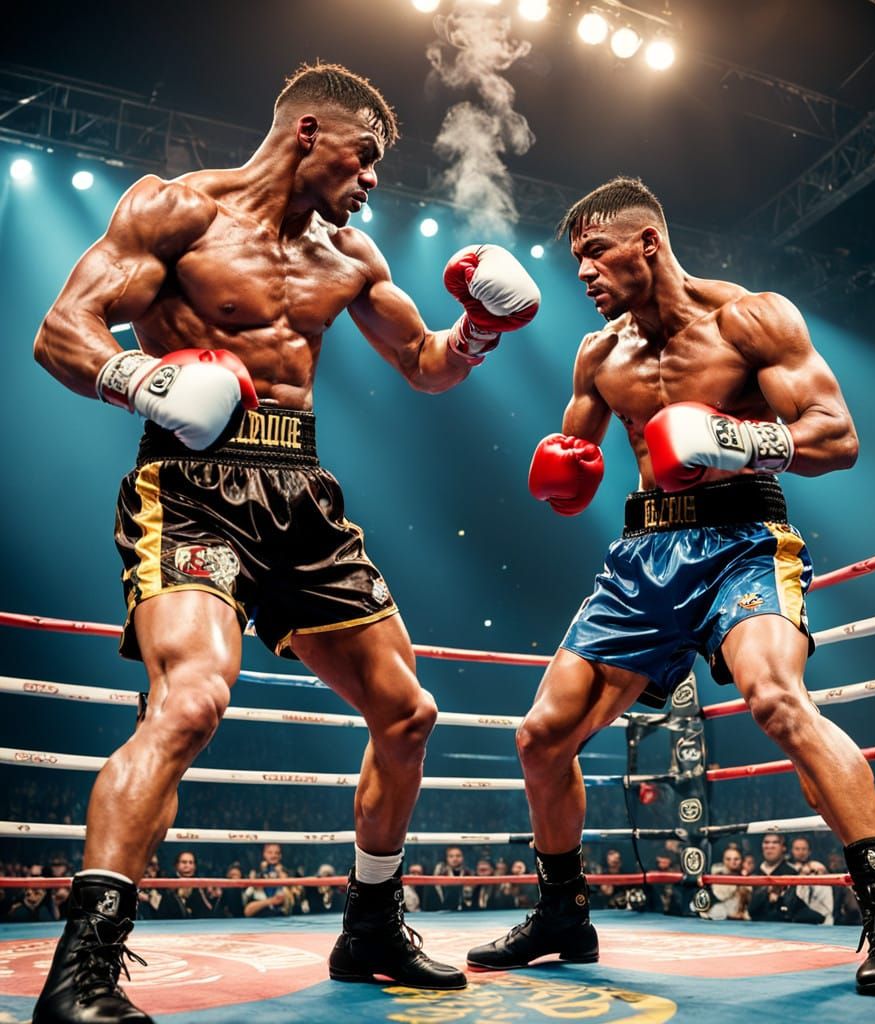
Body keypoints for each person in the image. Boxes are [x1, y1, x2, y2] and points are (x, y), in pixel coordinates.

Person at [31, 61, 540, 1022]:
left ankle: (372, 924)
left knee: (407, 713)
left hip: (303, 493)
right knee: (190, 701)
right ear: (310, 131)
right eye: (366, 154)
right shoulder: (176, 210)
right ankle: (84, 971)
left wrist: (478, 331)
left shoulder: (350, 257)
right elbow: (64, 331)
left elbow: (426, 366)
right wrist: (146, 383)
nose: (375, 178)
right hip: (188, 488)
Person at [466, 176, 875, 996]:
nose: (582, 274)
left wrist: (726, 437)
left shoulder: (751, 318)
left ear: (646, 241)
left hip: (742, 539)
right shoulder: (598, 354)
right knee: (541, 737)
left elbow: (838, 437)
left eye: (594, 254)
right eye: (575, 260)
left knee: (776, 699)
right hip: (645, 551)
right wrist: (563, 472)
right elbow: (570, 467)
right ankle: (564, 914)